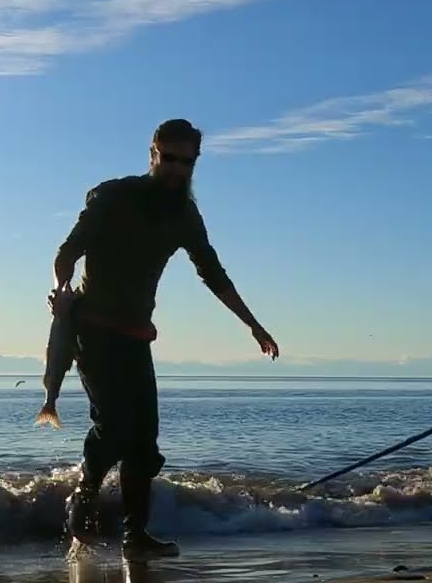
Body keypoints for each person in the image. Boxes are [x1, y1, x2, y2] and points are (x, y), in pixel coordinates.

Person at [48, 118, 280, 560]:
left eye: (187, 162)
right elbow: (67, 253)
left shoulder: (184, 215)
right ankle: (84, 497)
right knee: (113, 425)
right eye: (170, 159)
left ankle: (136, 536)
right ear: (153, 153)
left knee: (145, 442)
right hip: (92, 329)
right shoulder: (113, 196)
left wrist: (253, 325)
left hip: (136, 336)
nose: (177, 170)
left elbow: (213, 274)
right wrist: (61, 291)